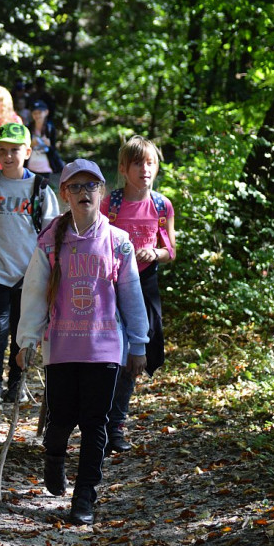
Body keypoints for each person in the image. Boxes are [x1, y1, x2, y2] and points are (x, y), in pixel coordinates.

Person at [16, 159, 149, 526]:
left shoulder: (118, 242)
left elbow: (131, 296)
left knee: (95, 424)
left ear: (102, 192)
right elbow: (35, 292)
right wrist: (27, 340)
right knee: (60, 419)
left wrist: (138, 344)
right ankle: (54, 456)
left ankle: (85, 496)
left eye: (91, 186)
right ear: (65, 194)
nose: (84, 192)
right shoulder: (50, 239)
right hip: (60, 347)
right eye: (75, 187)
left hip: (105, 348)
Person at [0, 122, 59, 410]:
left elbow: (52, 234)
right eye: (3, 150)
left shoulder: (40, 188)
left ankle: (16, 383)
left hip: (30, 274)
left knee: (22, 329)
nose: (8, 156)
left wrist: (53, 271)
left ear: (28, 151)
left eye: (15, 150)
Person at [101, 136, 176, 453]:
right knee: (108, 352)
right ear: (123, 168)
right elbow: (96, 239)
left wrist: (153, 254)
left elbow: (170, 249)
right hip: (109, 284)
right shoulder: (111, 204)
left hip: (145, 285)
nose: (145, 169)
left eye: (150, 163)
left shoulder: (162, 205)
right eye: (137, 163)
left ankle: (116, 425)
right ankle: (99, 421)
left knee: (136, 351)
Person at [26, 100, 65, 186]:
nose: (37, 115)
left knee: (42, 192)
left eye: (39, 113)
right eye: (34, 113)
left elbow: (53, 150)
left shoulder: (50, 129)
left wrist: (49, 145)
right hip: (30, 166)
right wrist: (30, 144)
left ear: (46, 112)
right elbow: (23, 148)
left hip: (45, 167)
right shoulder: (28, 128)